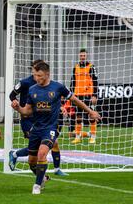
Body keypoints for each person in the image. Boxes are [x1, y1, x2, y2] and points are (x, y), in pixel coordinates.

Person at [12, 61, 101, 194]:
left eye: (40, 75)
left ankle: (36, 186)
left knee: (42, 153)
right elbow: (27, 111)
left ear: (47, 74)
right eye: (35, 75)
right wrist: (18, 108)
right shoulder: (32, 90)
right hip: (36, 129)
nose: (37, 78)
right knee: (32, 161)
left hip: (51, 128)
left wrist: (90, 112)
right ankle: (41, 178)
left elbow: (75, 100)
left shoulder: (58, 87)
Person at [8, 60, 67, 176]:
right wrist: (17, 104)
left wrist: (59, 107)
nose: (36, 75)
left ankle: (56, 169)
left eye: (39, 73)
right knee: (37, 147)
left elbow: (48, 101)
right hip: (28, 119)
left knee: (53, 142)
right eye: (35, 72)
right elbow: (12, 95)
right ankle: (15, 154)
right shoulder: (25, 83)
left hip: (41, 118)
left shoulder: (47, 84)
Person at [70, 49, 99, 144]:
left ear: (86, 56)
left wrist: (95, 95)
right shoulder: (76, 67)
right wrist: (71, 93)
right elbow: (72, 81)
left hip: (88, 95)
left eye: (84, 55)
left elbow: (95, 81)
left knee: (91, 115)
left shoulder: (91, 67)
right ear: (79, 56)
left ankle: (93, 136)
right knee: (78, 117)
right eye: (81, 55)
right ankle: (78, 137)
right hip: (78, 95)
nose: (82, 57)